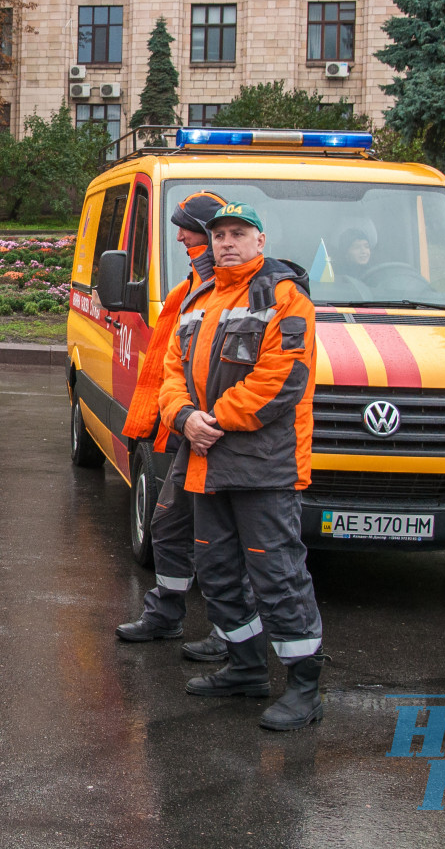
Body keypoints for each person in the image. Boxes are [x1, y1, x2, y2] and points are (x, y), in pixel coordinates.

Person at [158, 201, 327, 732]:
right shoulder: (198, 298)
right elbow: (170, 372)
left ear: (261, 240)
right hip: (206, 457)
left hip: (261, 467)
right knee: (217, 570)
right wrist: (183, 416)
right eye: (220, 234)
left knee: (276, 575)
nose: (227, 242)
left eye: (239, 233)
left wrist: (211, 420)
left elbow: (282, 381)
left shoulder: (284, 298)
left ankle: (304, 686)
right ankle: (247, 667)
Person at [116, 190, 233, 664]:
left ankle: (232, 637)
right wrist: (170, 419)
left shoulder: (231, 292)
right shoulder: (190, 290)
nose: (180, 236)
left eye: (187, 232)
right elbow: (171, 365)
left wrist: (206, 420)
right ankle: (165, 614)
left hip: (222, 438)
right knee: (167, 525)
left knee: (220, 543)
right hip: (187, 431)